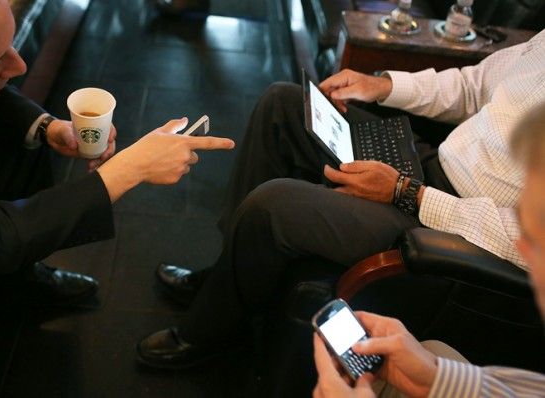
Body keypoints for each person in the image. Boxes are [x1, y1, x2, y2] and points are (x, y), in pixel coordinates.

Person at [136, 30, 545, 369]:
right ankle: (224, 278)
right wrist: (384, 86)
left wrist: (410, 194)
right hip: (432, 168)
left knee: (274, 206)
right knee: (284, 104)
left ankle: (213, 332)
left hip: (454, 228)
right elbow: (474, 87)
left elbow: (525, 240)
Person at [0, 0, 234, 395]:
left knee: (23, 145)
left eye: (10, 45)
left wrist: (49, 127)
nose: (19, 67)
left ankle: (18, 283)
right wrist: (129, 170)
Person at [312, 101, 545, 398]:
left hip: (443, 212)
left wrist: (408, 192)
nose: (521, 246)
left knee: (276, 205)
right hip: (438, 174)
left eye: (536, 237)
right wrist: (436, 378)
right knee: (432, 353)